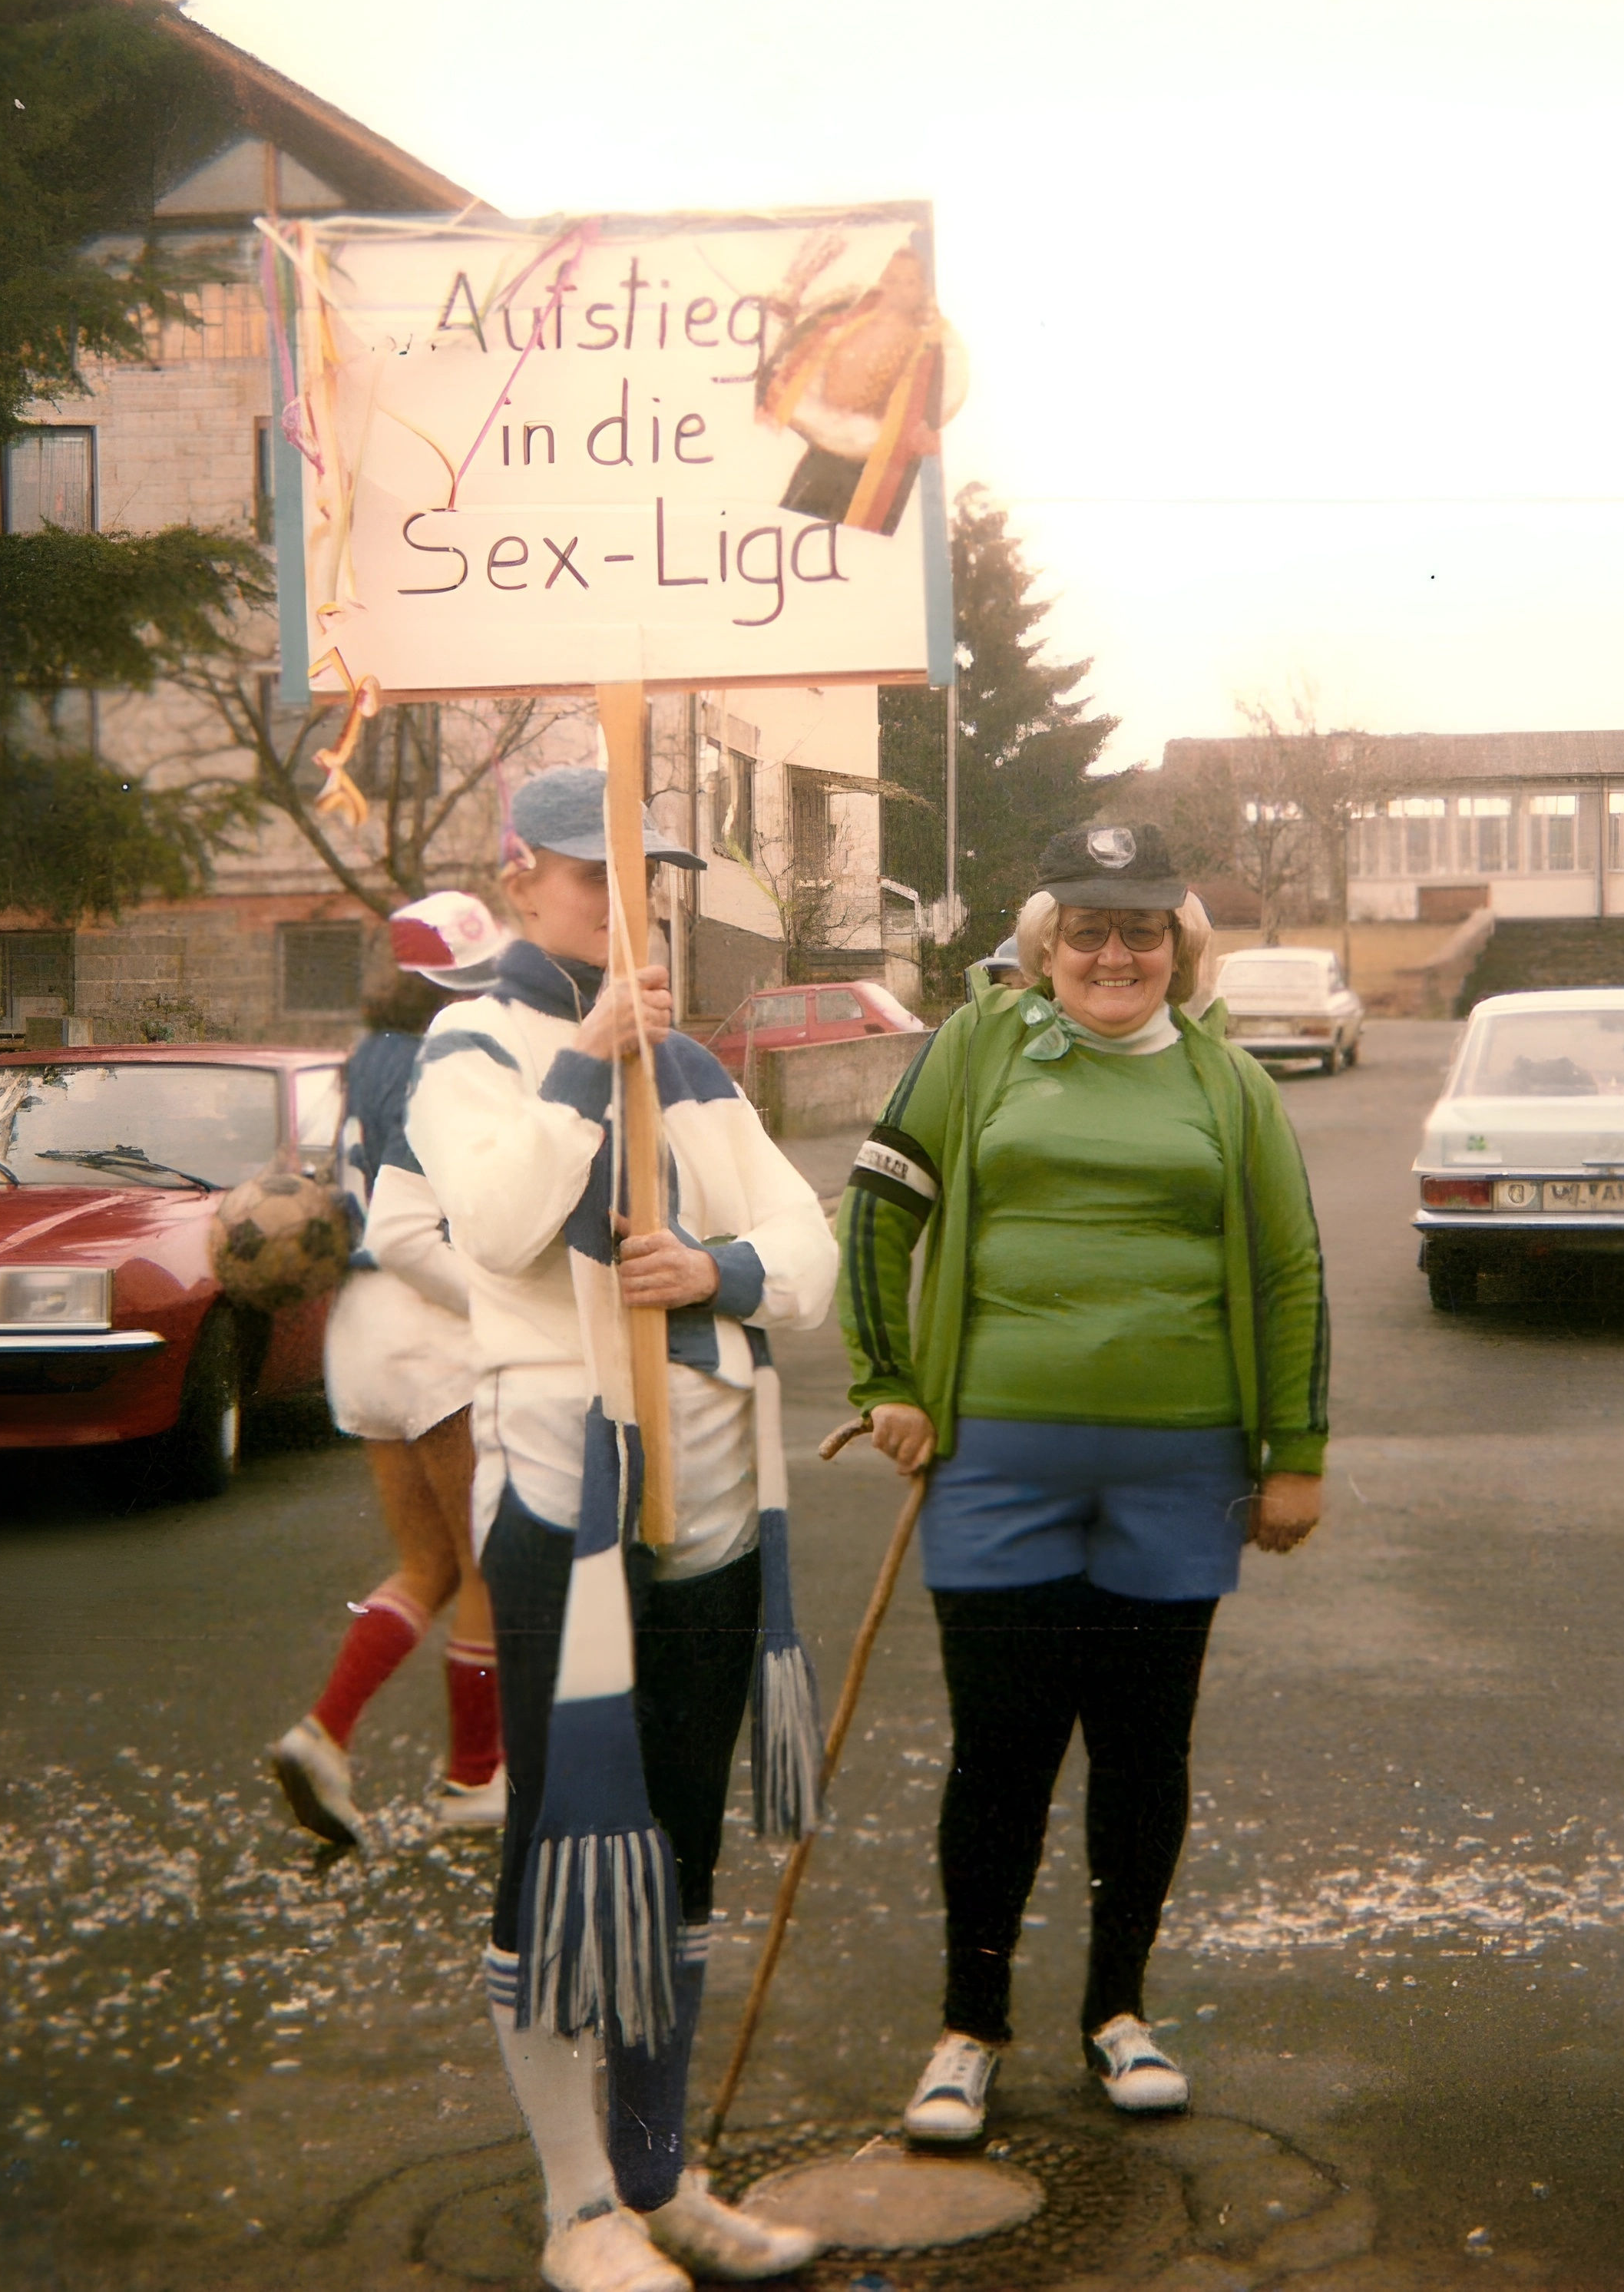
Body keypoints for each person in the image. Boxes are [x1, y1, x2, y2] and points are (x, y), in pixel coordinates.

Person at [835, 822, 1330, 2143]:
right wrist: (885, 1377)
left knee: (1142, 1751)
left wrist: (1296, 1454)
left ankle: (1119, 2012)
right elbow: (878, 1204)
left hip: (1182, 1468)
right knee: (999, 1751)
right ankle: (968, 2028)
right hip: (999, 1463)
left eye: (1142, 930)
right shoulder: (976, 1045)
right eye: (1088, 929)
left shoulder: (1230, 1083)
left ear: (1179, 946)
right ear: (1046, 942)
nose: (1115, 954)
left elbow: (1290, 1273)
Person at [405, 768, 833, 2292]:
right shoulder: (471, 1045)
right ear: (519, 876)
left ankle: (657, 2169)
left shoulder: (697, 1064)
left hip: (712, 1499)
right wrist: (586, 1062)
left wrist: (716, 1270)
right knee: (563, 1838)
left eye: (642, 875)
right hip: (560, 1498)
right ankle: (578, 2202)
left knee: (683, 1843)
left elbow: (804, 1243)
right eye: (592, 874)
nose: (624, 902)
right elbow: (498, 1224)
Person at [268, 892, 511, 1847]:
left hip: (359, 1323)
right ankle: (474, 1777)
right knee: (488, 1558)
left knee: (430, 1562)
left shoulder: (362, 1056)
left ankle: (324, 1731)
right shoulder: (445, 1059)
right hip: (428, 1313)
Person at [756, 241, 968, 535]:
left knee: (854, 542)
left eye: (910, 282)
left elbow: (938, 408)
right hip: (826, 450)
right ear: (881, 282)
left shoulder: (931, 346)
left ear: (923, 289)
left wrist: (928, 436)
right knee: (797, 528)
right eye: (892, 279)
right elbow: (796, 355)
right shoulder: (846, 319)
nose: (899, 289)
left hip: (878, 463)